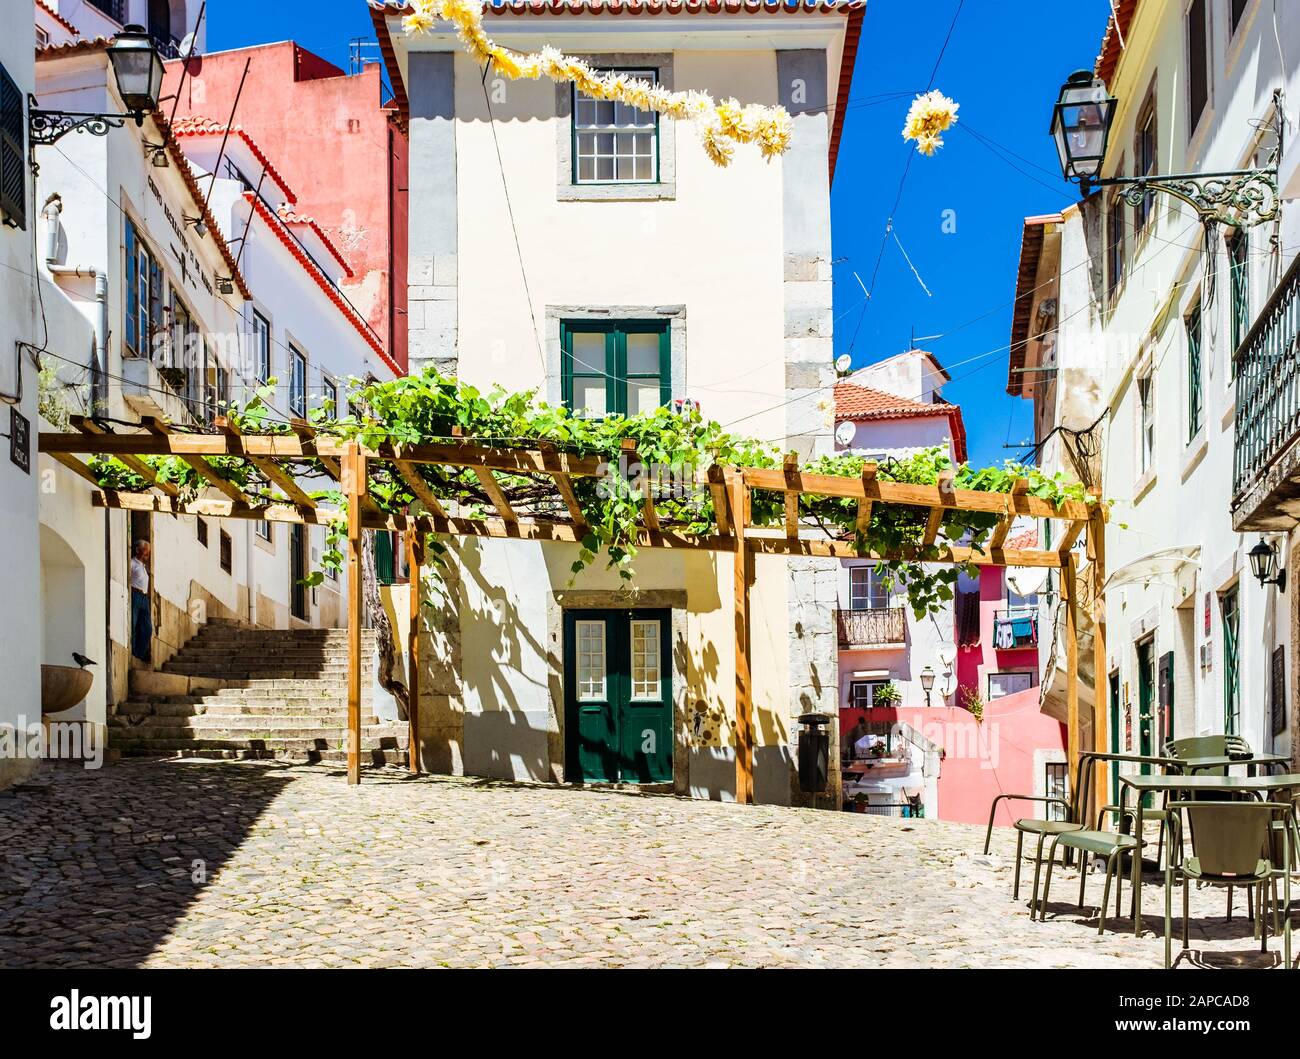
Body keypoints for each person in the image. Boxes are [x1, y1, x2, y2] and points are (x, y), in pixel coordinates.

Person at [130, 539, 152, 663]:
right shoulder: (132, 563)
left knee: (147, 628)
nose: (147, 554)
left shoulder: (142, 566)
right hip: (135, 594)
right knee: (133, 624)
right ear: (137, 550)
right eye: (145, 551)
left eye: (148, 552)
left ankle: (139, 653)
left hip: (144, 598)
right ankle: (133, 652)